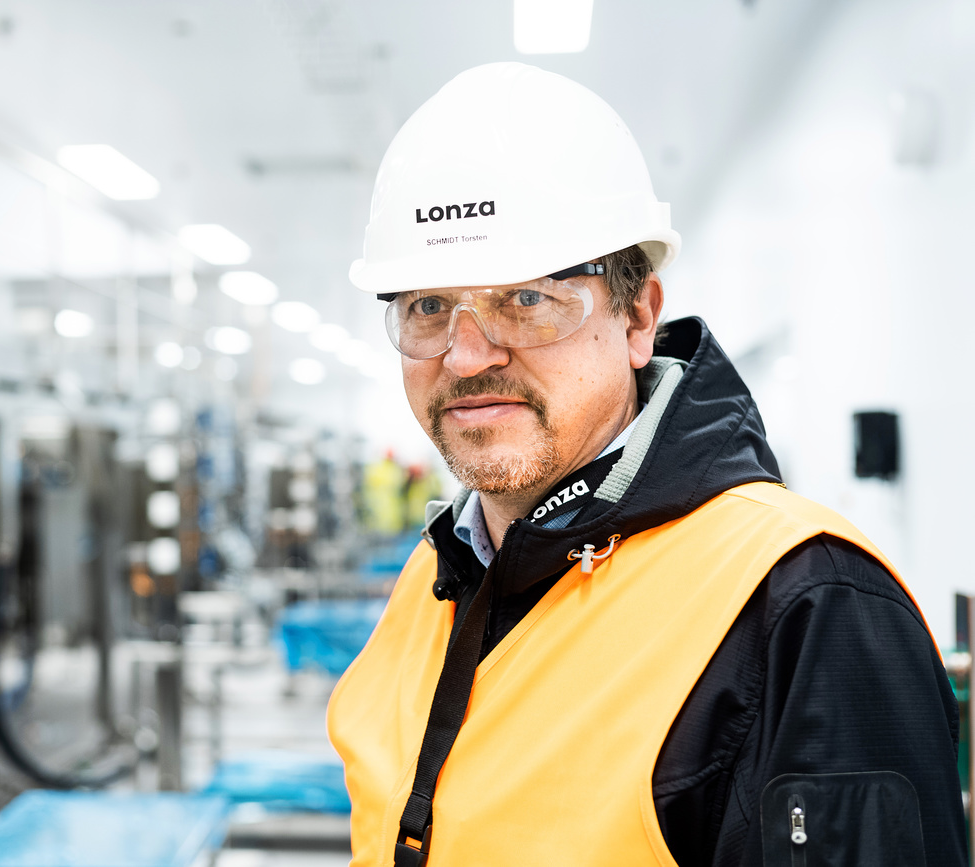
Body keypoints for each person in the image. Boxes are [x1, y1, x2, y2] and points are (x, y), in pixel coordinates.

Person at [327, 62, 964, 866]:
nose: (467, 354)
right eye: (427, 306)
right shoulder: (432, 580)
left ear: (638, 317)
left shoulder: (801, 605)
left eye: (526, 298)